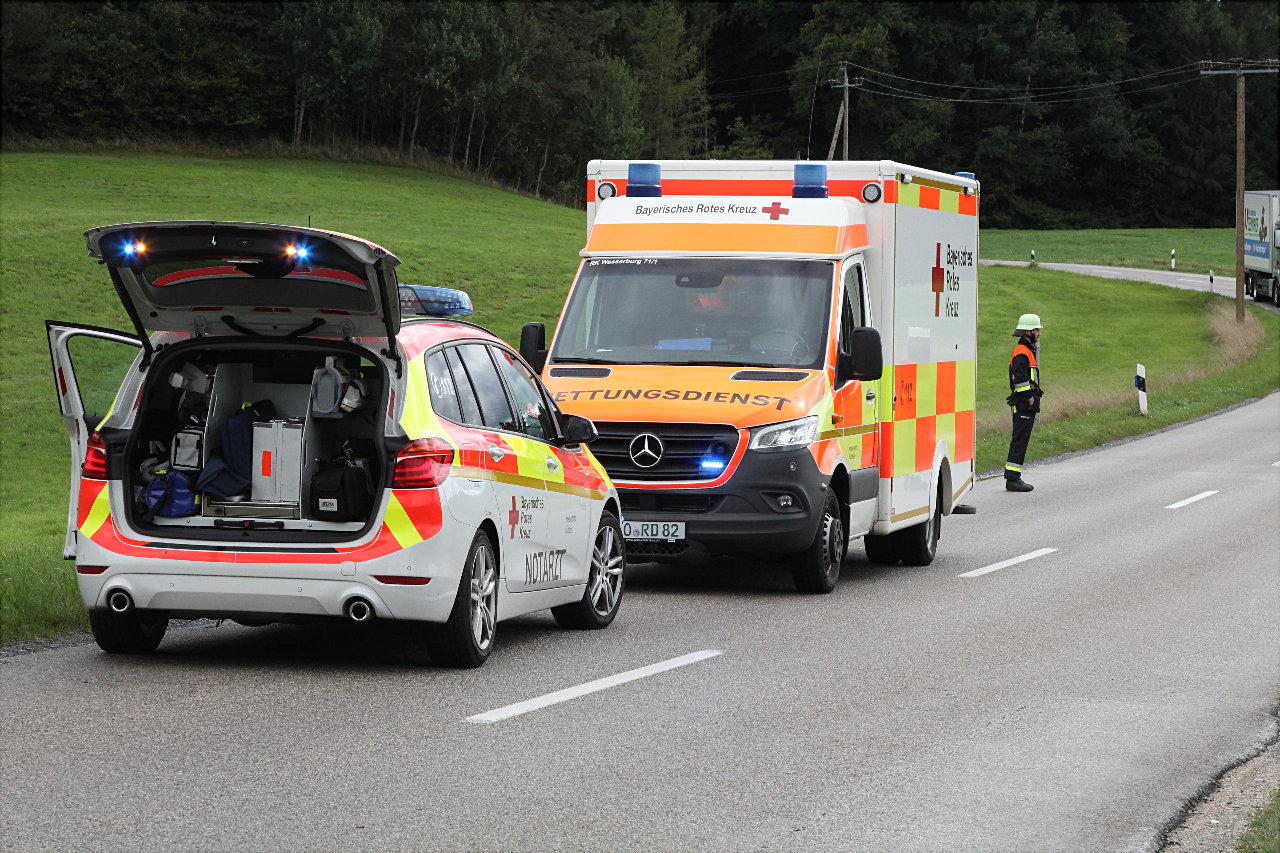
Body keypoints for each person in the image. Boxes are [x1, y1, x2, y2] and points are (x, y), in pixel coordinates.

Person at [1005, 313, 1044, 492]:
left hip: (1025, 403)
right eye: (1037, 330)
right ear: (1028, 332)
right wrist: (1029, 397)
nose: (1039, 333)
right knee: (1019, 441)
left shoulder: (1027, 350)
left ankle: (1014, 477)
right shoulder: (1022, 352)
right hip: (1023, 404)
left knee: (1020, 441)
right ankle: (1013, 479)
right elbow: (1020, 379)